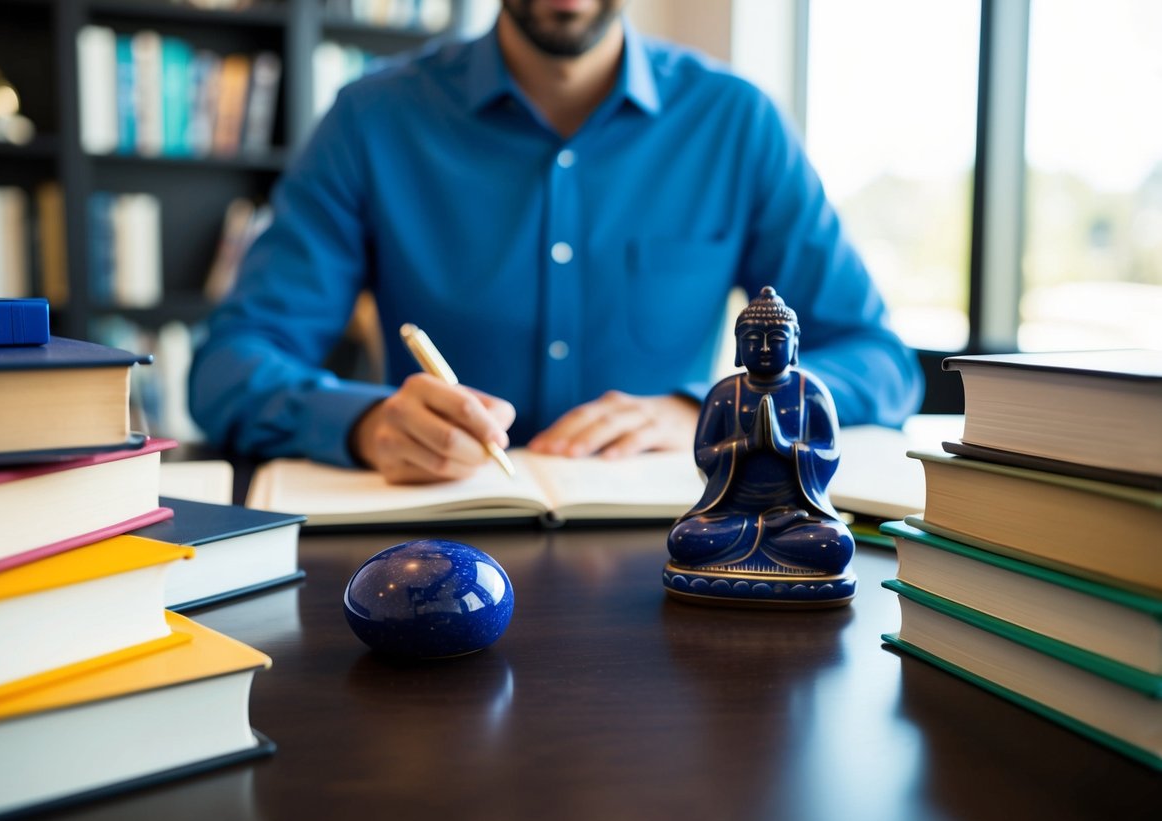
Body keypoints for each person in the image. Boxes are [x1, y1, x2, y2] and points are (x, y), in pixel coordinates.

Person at [189, 0, 923, 484]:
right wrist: (364, 426)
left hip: (671, 560)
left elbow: (879, 363)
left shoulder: (735, 121)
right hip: (430, 558)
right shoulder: (371, 119)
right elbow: (228, 366)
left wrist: (704, 405)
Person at [665, 286, 853, 580]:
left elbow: (829, 452)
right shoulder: (724, 393)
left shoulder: (810, 392)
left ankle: (771, 534)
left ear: (794, 345)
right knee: (684, 539)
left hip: (797, 517)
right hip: (732, 514)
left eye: (776, 339)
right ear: (739, 346)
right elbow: (704, 454)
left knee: (835, 544)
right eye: (753, 340)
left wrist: (784, 447)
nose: (764, 348)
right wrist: (746, 445)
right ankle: (766, 531)